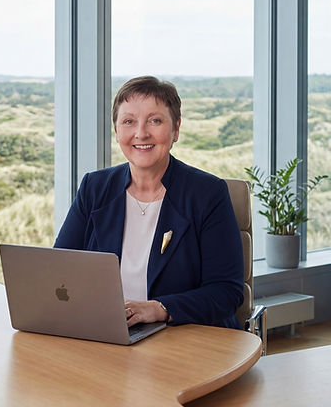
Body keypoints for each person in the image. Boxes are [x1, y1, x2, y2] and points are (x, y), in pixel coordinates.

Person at [54, 76, 244, 329]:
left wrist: (159, 309)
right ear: (117, 130)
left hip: (186, 340)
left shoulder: (208, 194)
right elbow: (59, 270)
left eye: (155, 121)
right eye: (129, 121)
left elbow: (226, 292)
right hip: (107, 333)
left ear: (176, 129)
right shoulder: (95, 188)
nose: (141, 133)